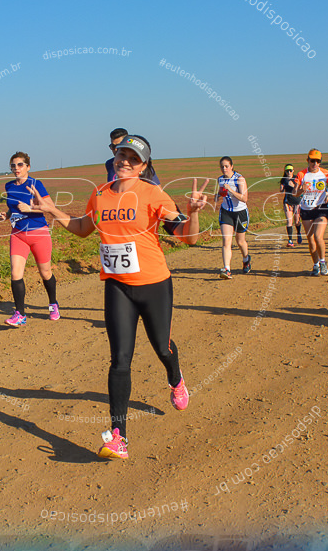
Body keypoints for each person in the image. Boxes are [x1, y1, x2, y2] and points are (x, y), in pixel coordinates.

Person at [26, 135, 209, 459]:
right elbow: (84, 228)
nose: (125, 161)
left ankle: (175, 378)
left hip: (154, 284)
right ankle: (118, 436)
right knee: (119, 360)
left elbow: (187, 238)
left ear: (143, 166)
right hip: (117, 287)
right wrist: (52, 209)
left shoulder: (153, 195)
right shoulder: (100, 195)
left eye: (133, 158)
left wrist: (192, 212)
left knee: (162, 348)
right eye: (121, 155)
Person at [0, 151, 59, 326]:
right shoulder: (9, 186)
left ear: (28, 167)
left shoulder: (35, 184)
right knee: (15, 273)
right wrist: (7, 214)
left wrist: (30, 209)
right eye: (13, 165)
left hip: (38, 232)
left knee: (45, 272)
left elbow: (50, 208)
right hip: (18, 234)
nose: (16, 168)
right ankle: (20, 314)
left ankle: (53, 304)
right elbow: (14, 207)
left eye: (20, 165)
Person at [294, 149, 328, 275]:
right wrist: (301, 189)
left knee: (318, 236)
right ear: (308, 160)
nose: (315, 163)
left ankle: (323, 262)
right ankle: (315, 264)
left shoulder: (325, 173)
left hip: (321, 207)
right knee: (311, 239)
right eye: (313, 161)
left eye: (318, 161)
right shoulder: (301, 174)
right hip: (306, 209)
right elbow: (294, 193)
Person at [216, 156, 251, 278]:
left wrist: (230, 189)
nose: (224, 169)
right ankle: (227, 269)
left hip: (240, 212)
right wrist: (218, 195)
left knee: (240, 241)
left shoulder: (239, 179)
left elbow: (244, 198)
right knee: (226, 241)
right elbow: (221, 192)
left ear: (231, 166)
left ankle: (246, 259)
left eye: (226, 166)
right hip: (226, 212)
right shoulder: (220, 179)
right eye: (222, 167)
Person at [279, 164, 302, 247]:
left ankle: (299, 233)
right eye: (287, 171)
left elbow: (301, 189)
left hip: (297, 202)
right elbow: (281, 191)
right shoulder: (283, 180)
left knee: (297, 221)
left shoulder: (297, 178)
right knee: (289, 221)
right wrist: (282, 187)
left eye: (290, 170)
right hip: (287, 202)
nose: (289, 172)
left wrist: (293, 186)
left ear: (293, 171)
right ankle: (290, 240)